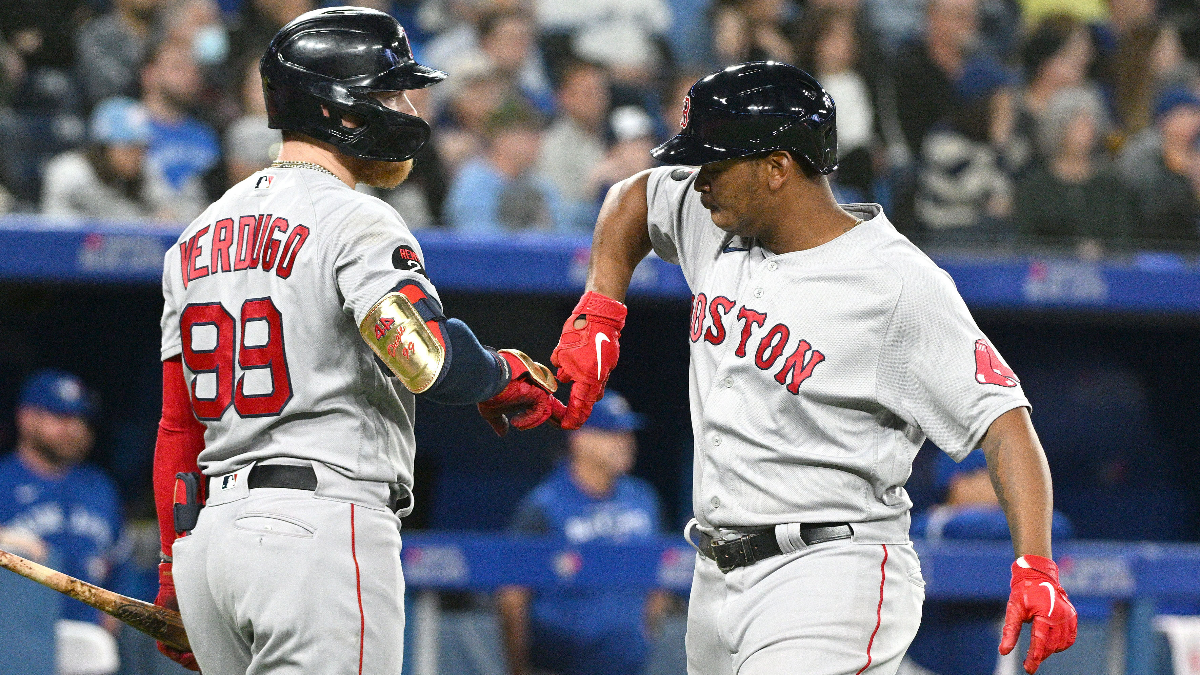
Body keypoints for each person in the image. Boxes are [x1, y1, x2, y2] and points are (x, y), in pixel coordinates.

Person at [549, 61, 1078, 675]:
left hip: (830, 572)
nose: (700, 180)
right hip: (715, 574)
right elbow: (635, 197)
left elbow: (1005, 423)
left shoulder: (896, 283)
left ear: (778, 168)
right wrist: (600, 308)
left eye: (717, 164)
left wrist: (1035, 563)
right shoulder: (717, 217)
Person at [151, 8, 565, 674]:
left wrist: (174, 565)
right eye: (390, 95)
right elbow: (426, 358)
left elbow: (178, 427)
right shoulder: (356, 218)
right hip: (318, 529)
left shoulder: (194, 237)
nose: (408, 112)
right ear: (335, 108)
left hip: (214, 542)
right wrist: (501, 371)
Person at [497, 391, 671, 675]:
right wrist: (519, 669)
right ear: (579, 438)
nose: (626, 442)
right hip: (557, 668)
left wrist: (642, 637)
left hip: (627, 668)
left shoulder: (643, 499)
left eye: (627, 433)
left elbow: (661, 576)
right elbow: (512, 597)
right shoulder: (544, 505)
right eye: (611, 433)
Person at [907, 450, 1074, 675]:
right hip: (924, 664)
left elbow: (1058, 526)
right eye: (989, 477)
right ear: (958, 481)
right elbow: (965, 528)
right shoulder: (930, 524)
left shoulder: (1001, 534)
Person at [0, 370, 123, 675]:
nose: (75, 429)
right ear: (27, 418)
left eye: (80, 420)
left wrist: (116, 614)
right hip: (18, 642)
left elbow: (121, 564)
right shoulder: (4, 482)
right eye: (61, 418)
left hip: (88, 645)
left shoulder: (99, 487)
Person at [42, 96, 172, 220]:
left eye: (142, 148)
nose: (137, 156)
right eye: (129, 148)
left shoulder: (146, 169)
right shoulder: (69, 172)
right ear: (103, 148)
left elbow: (169, 214)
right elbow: (59, 227)